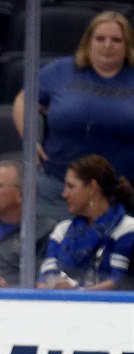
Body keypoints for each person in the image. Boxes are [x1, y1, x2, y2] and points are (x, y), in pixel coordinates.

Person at [12, 10, 134, 223]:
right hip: (58, 190)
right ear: (88, 42)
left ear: (127, 45)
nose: (107, 45)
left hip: (119, 193)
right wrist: (29, 138)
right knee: (52, 252)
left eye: (116, 40)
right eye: (100, 38)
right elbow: (24, 101)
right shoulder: (60, 71)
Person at [37, 154, 134, 290]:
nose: (64, 194)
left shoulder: (127, 228)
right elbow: (44, 278)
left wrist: (78, 292)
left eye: (71, 187)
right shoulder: (62, 230)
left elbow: (117, 282)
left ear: (93, 187)